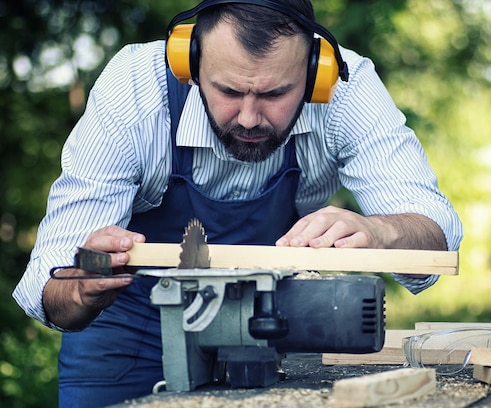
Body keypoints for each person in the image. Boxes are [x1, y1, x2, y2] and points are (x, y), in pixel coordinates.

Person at [13, 0, 463, 406]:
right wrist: (82, 286)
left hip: (265, 326)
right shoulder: (134, 89)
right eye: (229, 91)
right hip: (130, 328)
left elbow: (436, 239)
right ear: (188, 63)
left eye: (274, 94)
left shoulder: (346, 87)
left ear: (315, 73)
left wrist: (383, 231)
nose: (249, 117)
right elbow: (50, 282)